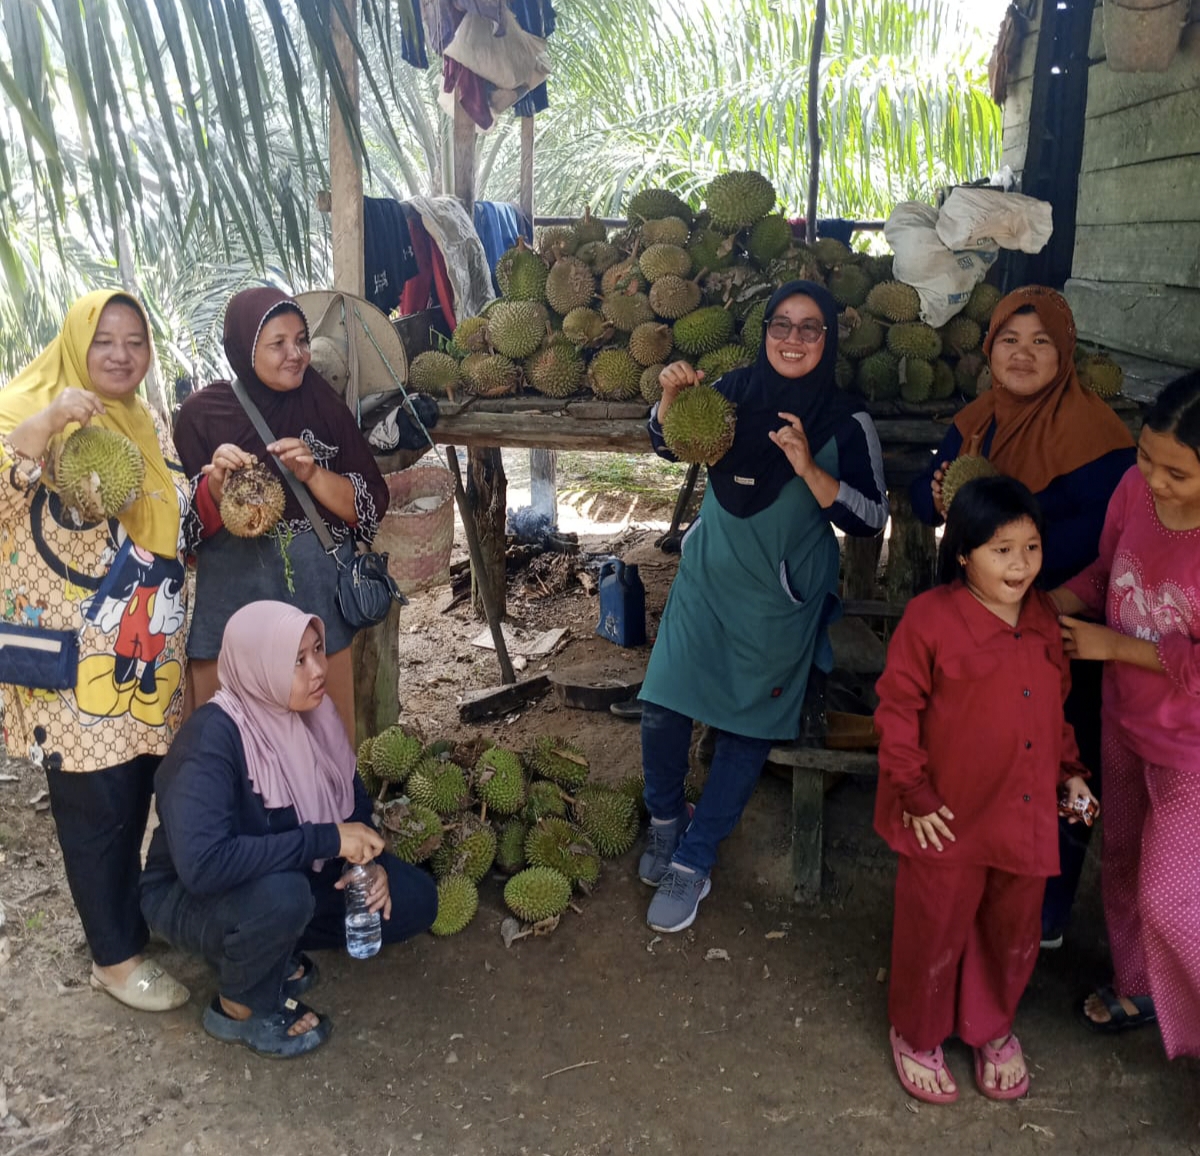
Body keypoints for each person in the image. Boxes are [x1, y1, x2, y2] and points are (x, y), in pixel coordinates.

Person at [637, 280, 889, 933]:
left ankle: (694, 860)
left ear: (829, 338)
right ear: (765, 329)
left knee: (749, 726)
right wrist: (669, 401)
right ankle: (666, 821)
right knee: (662, 705)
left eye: (811, 327)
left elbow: (869, 516)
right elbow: (671, 444)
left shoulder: (846, 418)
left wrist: (808, 467)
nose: (794, 338)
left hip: (781, 596)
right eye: (783, 324)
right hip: (708, 576)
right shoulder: (732, 389)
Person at [911, 285, 1135, 949]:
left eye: (1041, 342)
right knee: (985, 756)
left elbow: (1102, 538)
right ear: (990, 349)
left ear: (1064, 353)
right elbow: (937, 505)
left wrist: (1000, 553)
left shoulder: (1099, 437)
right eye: (1010, 339)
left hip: (1059, 628)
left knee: (1062, 761)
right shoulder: (977, 419)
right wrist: (935, 499)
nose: (1023, 354)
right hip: (980, 631)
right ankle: (989, 889)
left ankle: (1049, 910)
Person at [875, 475, 1094, 1104]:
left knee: (1012, 924)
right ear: (963, 552)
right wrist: (912, 791)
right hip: (943, 811)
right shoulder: (932, 619)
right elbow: (896, 710)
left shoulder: (1046, 616)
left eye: (1030, 547)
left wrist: (1069, 772)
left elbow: (1056, 705)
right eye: (1002, 549)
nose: (1020, 564)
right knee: (935, 923)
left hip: (1021, 808)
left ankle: (991, 1026)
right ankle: (918, 1031)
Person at [0, 290, 190, 1011]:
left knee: (136, 787)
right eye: (104, 339)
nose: (120, 354)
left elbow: (169, 510)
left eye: (135, 341)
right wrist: (47, 426)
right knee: (94, 803)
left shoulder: (142, 422)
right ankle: (113, 958)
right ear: (76, 342)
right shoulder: (21, 409)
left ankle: (125, 925)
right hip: (73, 655)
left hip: (145, 645)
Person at [140, 601, 437, 1058]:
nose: (318, 669)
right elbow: (204, 866)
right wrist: (328, 839)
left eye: (317, 650)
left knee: (415, 898)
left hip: (291, 872)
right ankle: (239, 1005)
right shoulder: (210, 741)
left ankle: (275, 948)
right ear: (258, 667)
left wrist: (369, 868)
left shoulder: (315, 718)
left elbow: (351, 809)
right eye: (298, 661)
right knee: (283, 899)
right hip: (193, 894)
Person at [1054, 372, 1200, 1057]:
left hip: (1190, 747)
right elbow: (1106, 571)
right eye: (1147, 457)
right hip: (1121, 719)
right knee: (1117, 854)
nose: (1154, 480)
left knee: (1172, 898)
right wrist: (1053, 599)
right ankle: (1138, 984)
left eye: (1176, 471)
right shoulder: (1132, 490)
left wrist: (1116, 645)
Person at [172, 288, 391, 737]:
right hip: (234, 601)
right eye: (278, 344)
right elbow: (183, 533)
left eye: (302, 340)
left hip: (313, 599)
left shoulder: (322, 404)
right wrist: (214, 486)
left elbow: (369, 505)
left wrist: (313, 475)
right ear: (243, 347)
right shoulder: (201, 416)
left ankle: (327, 808)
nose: (297, 354)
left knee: (323, 738)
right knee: (234, 743)